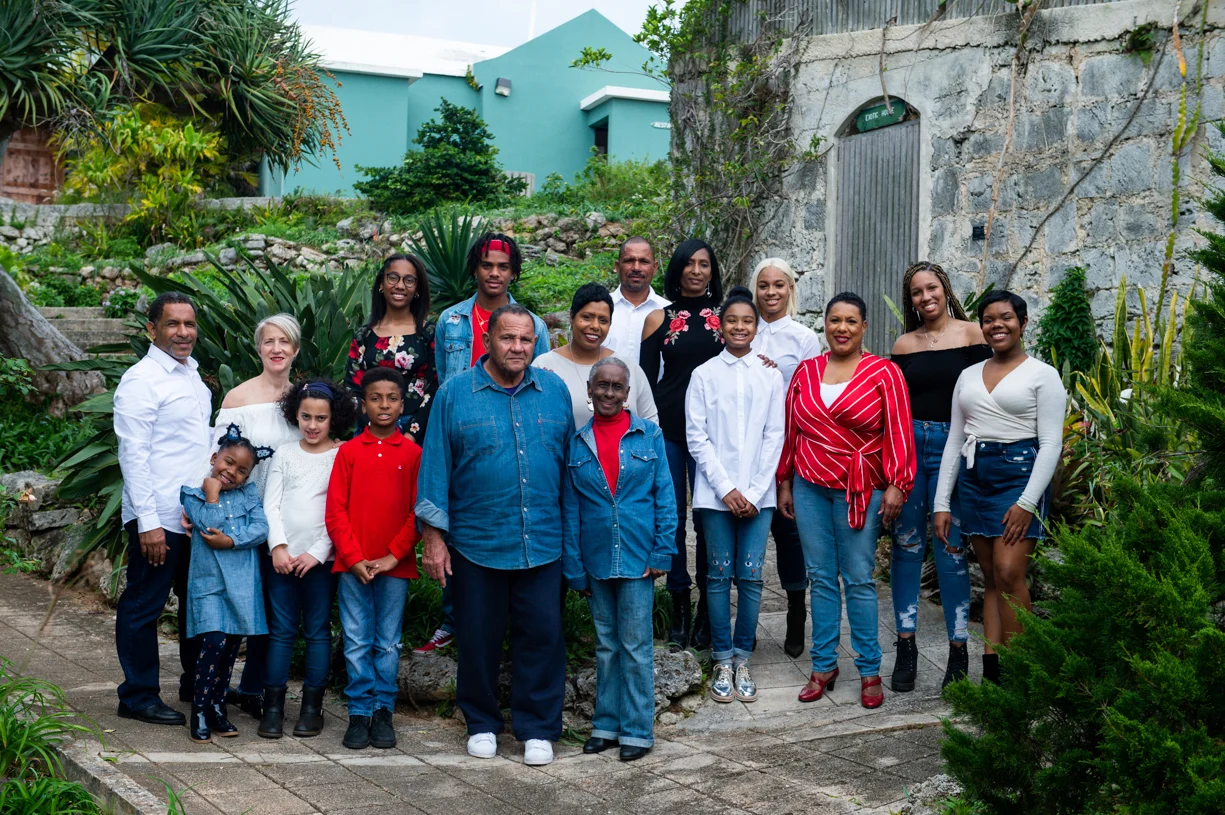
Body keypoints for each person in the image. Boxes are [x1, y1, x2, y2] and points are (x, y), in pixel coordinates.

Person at [417, 304, 574, 767]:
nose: (517, 347)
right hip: (476, 542)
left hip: (542, 540)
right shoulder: (455, 394)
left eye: (526, 339)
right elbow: (435, 468)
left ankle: (538, 728)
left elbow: (568, 469)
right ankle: (482, 723)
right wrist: (433, 538)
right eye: (508, 338)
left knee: (542, 637)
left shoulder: (554, 391)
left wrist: (574, 540)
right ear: (487, 340)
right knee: (478, 638)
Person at [777, 292, 915, 710]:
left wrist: (897, 484)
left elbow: (899, 431)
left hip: (861, 488)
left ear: (864, 327)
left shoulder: (884, 373)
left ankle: (869, 669)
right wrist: (785, 482)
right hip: (810, 486)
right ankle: (823, 666)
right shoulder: (806, 371)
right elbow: (791, 431)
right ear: (825, 325)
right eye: (834, 320)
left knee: (857, 578)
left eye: (851, 321)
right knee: (820, 577)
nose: (842, 328)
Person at [417, 233, 551, 655]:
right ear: (475, 268)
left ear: (514, 272)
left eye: (503, 267)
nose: (495, 273)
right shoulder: (452, 320)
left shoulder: (533, 324)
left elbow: (541, 379)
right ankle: (454, 619)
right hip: (467, 425)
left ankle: (507, 623)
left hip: (514, 428)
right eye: (487, 265)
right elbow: (444, 378)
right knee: (461, 525)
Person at [933, 290, 1065, 684]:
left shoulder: (1043, 374)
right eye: (989, 319)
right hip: (975, 479)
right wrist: (941, 502)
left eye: (1006, 317)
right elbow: (955, 440)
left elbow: (1051, 444)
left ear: (1022, 323)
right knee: (991, 577)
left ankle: (1021, 673)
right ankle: (993, 672)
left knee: (1009, 572)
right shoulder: (968, 375)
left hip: (1019, 476)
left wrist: (1027, 503)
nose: (997, 325)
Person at [563, 358, 676, 762]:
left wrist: (662, 550)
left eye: (617, 387)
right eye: (602, 385)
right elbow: (571, 509)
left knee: (636, 645)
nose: (609, 393)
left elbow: (666, 496)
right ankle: (606, 725)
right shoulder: (577, 443)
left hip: (637, 555)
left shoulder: (649, 436)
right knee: (606, 645)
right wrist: (573, 567)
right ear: (590, 390)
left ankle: (637, 730)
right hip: (595, 557)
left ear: (627, 394)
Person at [888, 262, 991, 692]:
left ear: (945, 289)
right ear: (910, 299)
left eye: (931, 288)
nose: (925, 297)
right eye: (917, 292)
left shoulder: (973, 335)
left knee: (950, 548)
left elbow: (986, 393)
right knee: (906, 545)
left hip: (956, 446)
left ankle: (958, 650)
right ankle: (906, 647)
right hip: (911, 447)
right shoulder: (904, 344)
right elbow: (893, 405)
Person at [114, 292, 212, 726]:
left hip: (193, 516)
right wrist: (148, 523)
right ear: (152, 329)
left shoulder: (192, 375)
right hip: (159, 517)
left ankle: (196, 683)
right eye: (173, 324)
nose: (183, 332)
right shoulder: (142, 380)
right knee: (143, 606)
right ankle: (137, 696)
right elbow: (133, 455)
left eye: (189, 324)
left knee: (196, 604)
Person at [686, 287, 785, 703]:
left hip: (760, 496)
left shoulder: (770, 375)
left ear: (756, 326)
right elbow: (697, 436)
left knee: (750, 575)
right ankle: (721, 659)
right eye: (732, 320)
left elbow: (775, 435)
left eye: (747, 321)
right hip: (715, 495)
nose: (740, 327)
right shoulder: (704, 374)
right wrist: (726, 489)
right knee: (717, 574)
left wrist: (756, 491)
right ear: (720, 326)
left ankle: (743, 657)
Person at [211, 313, 304, 720]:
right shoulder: (238, 399)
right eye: (269, 341)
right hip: (242, 518)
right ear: (259, 348)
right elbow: (217, 460)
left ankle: (254, 689)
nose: (276, 349)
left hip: (286, 522)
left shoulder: (304, 402)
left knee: (275, 611)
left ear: (295, 349)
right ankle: (211, 689)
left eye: (284, 342)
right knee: (235, 606)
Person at [326, 368, 423, 750]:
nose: (384, 405)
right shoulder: (348, 452)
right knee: (355, 639)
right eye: (375, 398)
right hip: (353, 566)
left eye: (392, 398)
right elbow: (335, 512)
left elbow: (418, 512)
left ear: (402, 403)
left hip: (395, 568)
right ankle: (359, 711)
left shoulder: (414, 454)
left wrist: (392, 556)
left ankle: (383, 710)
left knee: (387, 643)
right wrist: (354, 558)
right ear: (363, 404)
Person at [257, 378, 357, 739]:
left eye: (321, 418)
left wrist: (317, 553)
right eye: (306, 417)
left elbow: (341, 510)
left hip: (321, 563)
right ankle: (273, 708)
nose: (312, 425)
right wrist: (278, 547)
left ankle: (312, 709)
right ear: (295, 415)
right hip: (282, 561)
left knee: (317, 631)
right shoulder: (285, 453)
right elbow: (271, 504)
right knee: (281, 632)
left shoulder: (341, 455)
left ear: (333, 419)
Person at [638, 238, 725, 649]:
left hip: (714, 433)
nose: (696, 270)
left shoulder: (727, 316)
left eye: (704, 264)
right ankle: (678, 606)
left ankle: (708, 607)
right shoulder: (658, 317)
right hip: (669, 428)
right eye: (688, 263)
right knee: (671, 518)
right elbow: (643, 381)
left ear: (712, 271)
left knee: (708, 517)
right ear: (676, 269)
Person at [748, 258, 822, 659]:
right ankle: (747, 620)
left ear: (791, 288)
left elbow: (807, 397)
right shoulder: (743, 328)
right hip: (747, 445)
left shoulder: (803, 338)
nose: (771, 292)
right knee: (749, 534)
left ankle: (796, 611)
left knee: (789, 532)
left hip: (788, 444)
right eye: (764, 285)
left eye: (779, 285)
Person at [181, 427, 271, 743]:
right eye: (228, 462)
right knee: (213, 642)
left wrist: (231, 540)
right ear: (214, 458)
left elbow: (261, 529)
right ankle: (200, 709)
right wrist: (212, 495)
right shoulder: (192, 495)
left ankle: (218, 706)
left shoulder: (249, 496)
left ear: (248, 476)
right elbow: (209, 525)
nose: (232, 472)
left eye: (241, 470)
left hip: (242, 584)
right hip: (209, 585)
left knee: (231, 647)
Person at [534, 283, 658, 427]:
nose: (595, 326)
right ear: (572, 317)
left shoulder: (626, 366)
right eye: (587, 317)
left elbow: (650, 422)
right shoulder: (544, 366)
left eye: (603, 320)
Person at [345, 254, 437, 444]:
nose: (400, 285)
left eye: (409, 280)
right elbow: (352, 389)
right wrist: (374, 429)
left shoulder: (430, 333)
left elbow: (435, 388)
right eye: (393, 277)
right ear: (381, 283)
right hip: (369, 433)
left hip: (416, 435)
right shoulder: (364, 335)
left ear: (417, 288)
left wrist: (410, 436)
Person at [603, 237, 669, 364]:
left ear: (655, 268)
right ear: (617, 266)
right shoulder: (600, 308)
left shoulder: (668, 312)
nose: (636, 268)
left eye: (644, 261)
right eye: (629, 261)